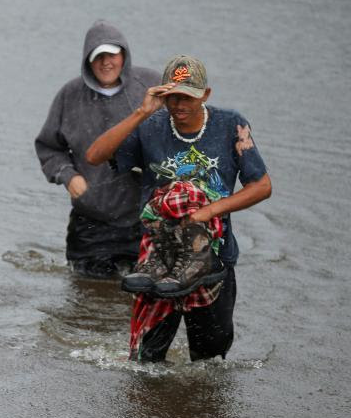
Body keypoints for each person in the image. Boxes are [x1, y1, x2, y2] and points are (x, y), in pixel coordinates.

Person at [86, 54, 272, 362]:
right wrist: (140, 113)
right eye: (171, 97)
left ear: (205, 95)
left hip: (213, 256)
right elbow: (93, 156)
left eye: (187, 97)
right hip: (158, 259)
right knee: (145, 363)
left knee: (210, 359)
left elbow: (262, 186)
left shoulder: (230, 125)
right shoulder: (150, 126)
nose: (178, 105)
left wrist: (209, 211)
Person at [35, 20, 162, 278]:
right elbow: (49, 148)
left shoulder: (150, 85)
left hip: (146, 219)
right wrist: (68, 175)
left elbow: (183, 126)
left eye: (112, 54)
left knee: (142, 295)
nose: (106, 63)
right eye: (99, 56)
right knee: (86, 298)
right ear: (88, 61)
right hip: (91, 221)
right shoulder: (69, 95)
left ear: (123, 55)